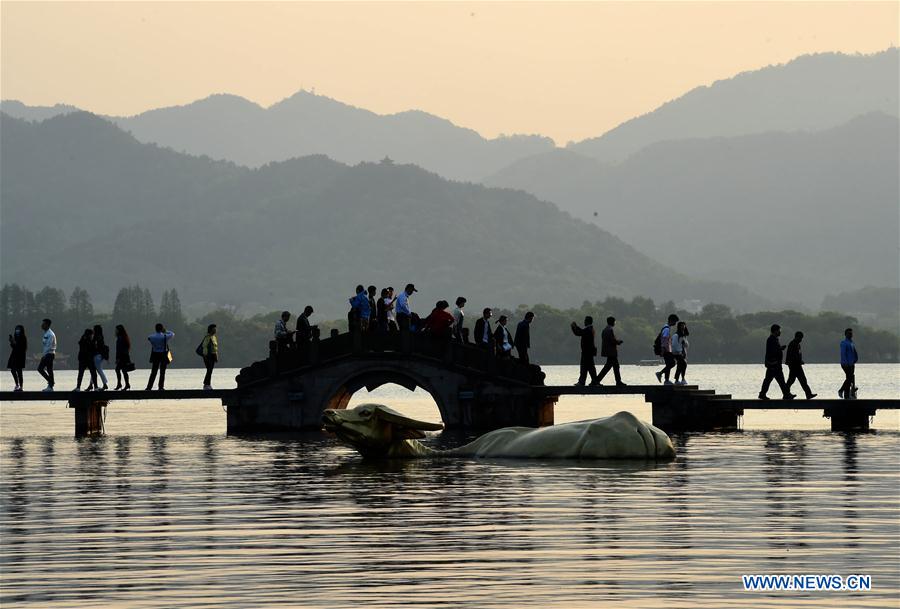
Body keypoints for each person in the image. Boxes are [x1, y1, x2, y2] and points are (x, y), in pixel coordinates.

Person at [758, 324, 794, 400]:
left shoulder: (774, 339)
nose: (780, 332)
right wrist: (780, 349)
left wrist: (780, 349)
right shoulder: (771, 339)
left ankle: (785, 394)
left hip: (775, 364)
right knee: (773, 380)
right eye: (779, 330)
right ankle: (785, 394)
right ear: (775, 331)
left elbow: (774, 350)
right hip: (773, 364)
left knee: (776, 380)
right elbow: (772, 351)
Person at [785, 331, 816, 399]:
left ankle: (786, 394)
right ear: (797, 337)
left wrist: (800, 360)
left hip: (796, 365)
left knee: (793, 380)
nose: (801, 339)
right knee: (799, 380)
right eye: (800, 338)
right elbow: (792, 355)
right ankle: (808, 394)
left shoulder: (797, 344)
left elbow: (797, 355)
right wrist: (799, 361)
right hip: (794, 365)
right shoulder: (793, 344)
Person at [597, 316, 626, 386]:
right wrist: (618, 342)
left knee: (613, 367)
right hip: (611, 352)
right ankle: (596, 381)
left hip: (608, 351)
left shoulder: (605, 330)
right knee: (610, 367)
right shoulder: (610, 330)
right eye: (614, 322)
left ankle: (618, 381)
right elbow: (612, 340)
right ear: (612, 322)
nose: (615, 323)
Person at [571, 316, 598, 386]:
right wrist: (575, 327)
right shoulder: (590, 329)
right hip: (589, 352)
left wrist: (575, 327)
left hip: (586, 352)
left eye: (585, 320)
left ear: (587, 321)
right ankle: (594, 381)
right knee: (589, 367)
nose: (584, 322)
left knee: (584, 367)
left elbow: (579, 332)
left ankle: (582, 382)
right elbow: (580, 332)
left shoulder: (588, 329)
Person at [146, 323, 175, 391]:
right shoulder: (165, 336)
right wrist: (165, 331)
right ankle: (161, 387)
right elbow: (172, 334)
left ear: (155, 329)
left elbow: (148, 338)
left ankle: (149, 387)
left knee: (153, 372)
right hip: (163, 354)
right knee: (162, 372)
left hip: (155, 354)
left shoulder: (152, 337)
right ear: (161, 329)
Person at [655, 314, 679, 386]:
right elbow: (664, 340)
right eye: (675, 321)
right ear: (671, 320)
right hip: (666, 350)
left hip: (667, 350)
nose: (675, 323)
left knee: (669, 364)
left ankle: (666, 380)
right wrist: (663, 350)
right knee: (672, 363)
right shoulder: (666, 329)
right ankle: (660, 373)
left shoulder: (666, 327)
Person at [37, 318, 56, 392]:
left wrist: (44, 355)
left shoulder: (50, 334)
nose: (42, 325)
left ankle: (51, 383)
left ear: (47, 325)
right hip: (48, 354)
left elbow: (49, 346)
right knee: (49, 370)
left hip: (49, 354)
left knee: (40, 369)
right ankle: (50, 386)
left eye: (43, 324)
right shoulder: (46, 333)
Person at [839, 328, 859, 399]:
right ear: (845, 334)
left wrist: (856, 359)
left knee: (849, 378)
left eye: (851, 333)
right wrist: (847, 363)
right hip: (845, 364)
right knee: (849, 378)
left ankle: (847, 396)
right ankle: (841, 390)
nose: (850, 334)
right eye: (849, 333)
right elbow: (843, 354)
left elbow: (854, 352)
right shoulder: (844, 343)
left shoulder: (851, 343)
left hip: (852, 364)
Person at [6, 325, 27, 392]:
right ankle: (17, 384)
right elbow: (14, 346)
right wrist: (11, 342)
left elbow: (21, 347)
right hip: (14, 355)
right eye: (16, 329)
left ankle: (21, 386)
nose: (17, 330)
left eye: (18, 329)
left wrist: (14, 342)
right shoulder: (15, 337)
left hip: (20, 356)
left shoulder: (23, 337)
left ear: (21, 330)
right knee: (12, 370)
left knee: (19, 371)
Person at [114, 324, 132, 391]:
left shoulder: (121, 338)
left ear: (119, 330)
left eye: (116, 330)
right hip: (124, 356)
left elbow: (119, 349)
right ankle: (124, 384)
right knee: (122, 370)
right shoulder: (124, 337)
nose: (115, 331)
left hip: (122, 357)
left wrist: (118, 358)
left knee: (120, 370)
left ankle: (123, 384)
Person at [92, 325, 110, 391]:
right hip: (100, 356)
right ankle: (91, 385)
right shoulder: (101, 337)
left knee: (99, 370)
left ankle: (105, 384)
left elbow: (95, 347)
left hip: (97, 356)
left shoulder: (96, 338)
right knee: (94, 371)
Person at [672, 321, 689, 386]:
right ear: (679, 327)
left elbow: (686, 345)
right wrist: (678, 352)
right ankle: (679, 379)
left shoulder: (684, 335)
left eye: (684, 325)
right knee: (683, 364)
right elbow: (674, 345)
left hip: (683, 352)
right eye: (681, 325)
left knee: (681, 366)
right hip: (677, 353)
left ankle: (680, 379)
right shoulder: (676, 335)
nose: (683, 327)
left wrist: (684, 344)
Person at [201, 324, 218, 390]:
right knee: (209, 370)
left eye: (216, 329)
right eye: (214, 329)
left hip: (213, 355)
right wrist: (205, 356)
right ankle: (206, 385)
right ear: (211, 330)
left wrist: (216, 356)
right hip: (208, 356)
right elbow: (204, 346)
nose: (215, 330)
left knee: (210, 371)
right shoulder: (207, 337)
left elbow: (215, 348)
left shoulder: (214, 337)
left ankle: (207, 384)